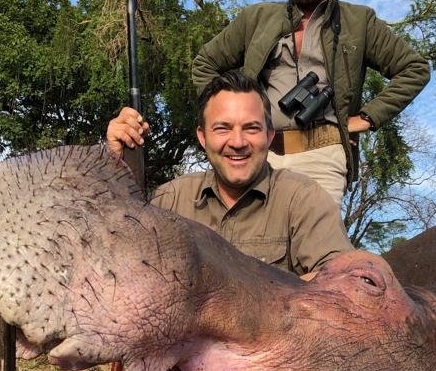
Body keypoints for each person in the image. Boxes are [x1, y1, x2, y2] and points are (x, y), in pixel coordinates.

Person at [191, 0, 431, 208]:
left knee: (318, 249)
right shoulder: (255, 19)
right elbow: (204, 64)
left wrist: (366, 118)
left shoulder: (359, 21)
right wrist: (229, 120)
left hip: (324, 156)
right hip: (260, 157)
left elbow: (415, 69)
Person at [106, 71, 354, 277]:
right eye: (222, 128)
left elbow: (340, 283)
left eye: (251, 128)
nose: (237, 142)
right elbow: (121, 266)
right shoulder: (170, 199)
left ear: (269, 136)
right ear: (203, 137)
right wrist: (116, 167)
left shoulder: (303, 198)